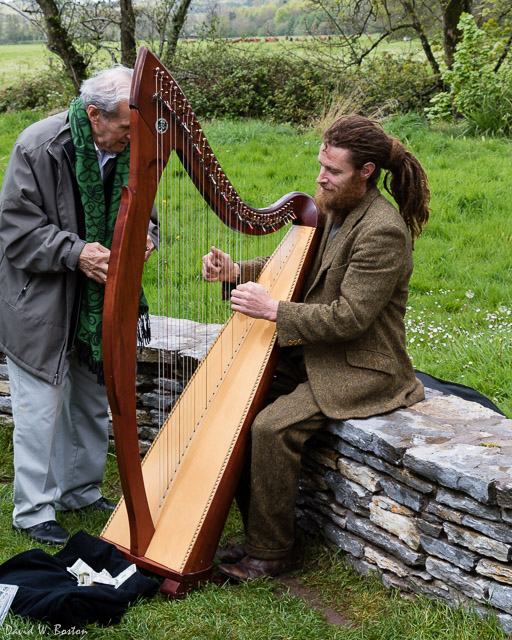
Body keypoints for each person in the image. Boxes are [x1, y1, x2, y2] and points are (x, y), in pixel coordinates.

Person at [202, 114, 430, 580]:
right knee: (234, 402)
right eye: (321, 164)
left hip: (361, 367)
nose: (320, 177)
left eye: (334, 170)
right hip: (312, 352)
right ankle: (257, 533)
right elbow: (293, 265)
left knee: (270, 427)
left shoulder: (382, 231)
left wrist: (273, 311)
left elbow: (351, 317)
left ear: (366, 172)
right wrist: (238, 271)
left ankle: (271, 552)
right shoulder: (332, 209)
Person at [0, 66, 158, 545]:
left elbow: (142, 206)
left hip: (100, 303)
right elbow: (16, 233)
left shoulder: (129, 146)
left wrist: (144, 236)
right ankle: (33, 511)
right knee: (40, 411)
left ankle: (80, 492)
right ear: (94, 116)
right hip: (40, 301)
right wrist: (76, 252)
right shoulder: (38, 146)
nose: (133, 140)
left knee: (91, 402)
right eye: (127, 129)